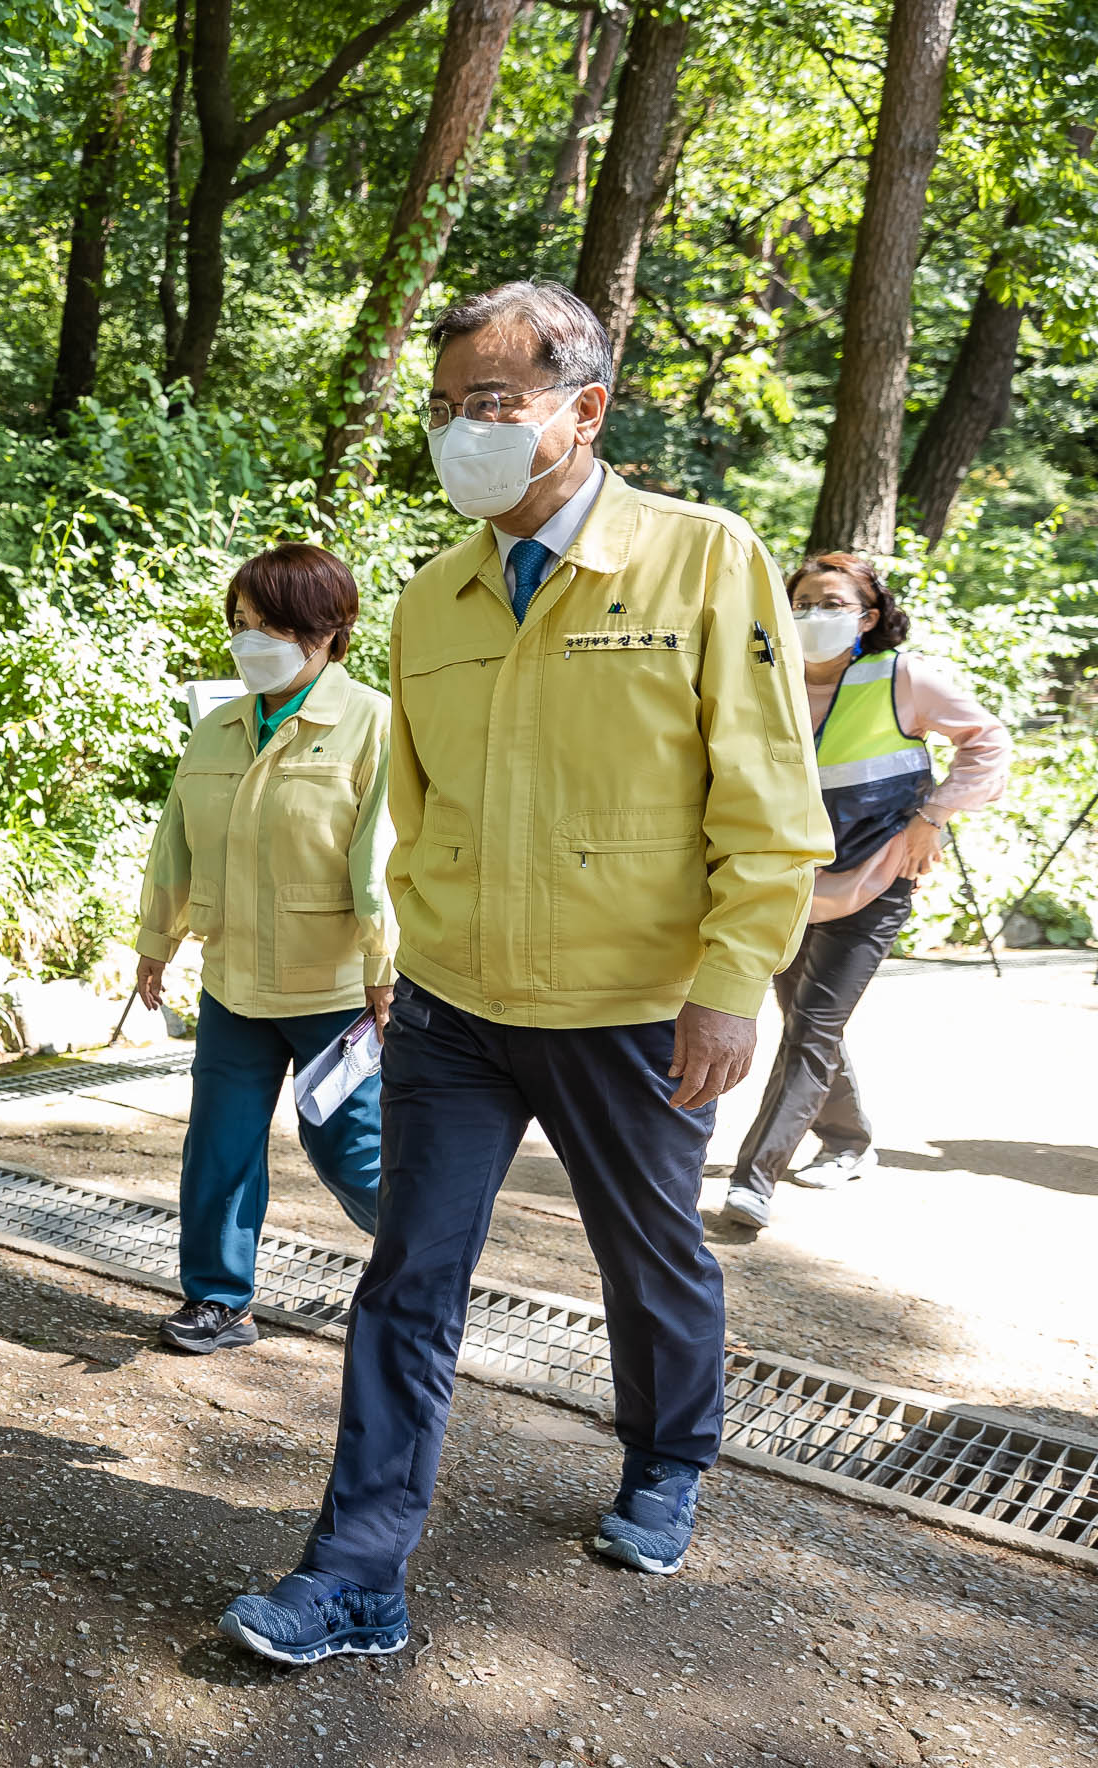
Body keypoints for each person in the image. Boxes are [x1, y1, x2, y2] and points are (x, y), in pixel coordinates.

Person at [216, 281, 831, 1666]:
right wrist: (403, 960)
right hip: (457, 1011)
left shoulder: (701, 559)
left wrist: (734, 976)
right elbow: (418, 815)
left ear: (585, 411)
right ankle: (357, 1575)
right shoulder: (432, 603)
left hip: (635, 1010)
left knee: (648, 1255)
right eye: (447, 409)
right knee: (407, 1281)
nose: (463, 433)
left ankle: (668, 1459)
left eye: (493, 405)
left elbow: (770, 801)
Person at [133, 544, 395, 1356]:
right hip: (234, 982)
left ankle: (423, 1265)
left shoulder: (374, 723)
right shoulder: (218, 727)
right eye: (242, 624)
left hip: (335, 988)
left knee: (352, 1151)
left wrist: (388, 975)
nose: (252, 641)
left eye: (273, 625)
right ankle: (218, 1300)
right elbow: (174, 842)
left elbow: (383, 859)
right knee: (219, 1145)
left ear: (329, 631)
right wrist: (156, 942)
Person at [721, 555, 1009, 1228]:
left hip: (876, 880)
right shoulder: (766, 680)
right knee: (808, 1025)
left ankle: (754, 1178)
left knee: (812, 1027)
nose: (814, 616)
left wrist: (931, 816)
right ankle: (849, 1141)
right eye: (802, 603)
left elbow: (988, 742)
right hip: (785, 883)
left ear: (868, 616)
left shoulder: (902, 677)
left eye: (832, 603)